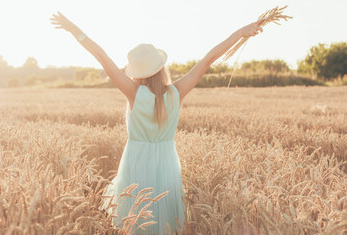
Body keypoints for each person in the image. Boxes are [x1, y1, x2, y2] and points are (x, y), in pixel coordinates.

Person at [50, 12, 262, 235]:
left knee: (135, 223)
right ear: (161, 68)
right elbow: (208, 59)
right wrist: (241, 33)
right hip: (167, 166)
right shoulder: (176, 92)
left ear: (137, 73)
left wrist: (74, 29)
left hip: (136, 165)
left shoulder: (133, 92)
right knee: (167, 225)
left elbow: (102, 57)